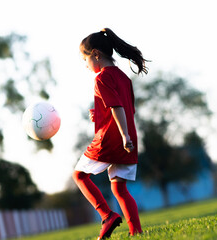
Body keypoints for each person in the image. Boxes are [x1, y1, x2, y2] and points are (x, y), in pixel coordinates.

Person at [73, 28, 148, 239]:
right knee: (119, 189)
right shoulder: (124, 78)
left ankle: (107, 216)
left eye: (84, 58)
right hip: (129, 138)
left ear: (96, 54)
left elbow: (117, 108)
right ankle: (137, 232)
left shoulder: (101, 78)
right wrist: (102, 116)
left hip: (113, 138)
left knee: (79, 175)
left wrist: (122, 135)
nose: (85, 64)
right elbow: (125, 108)